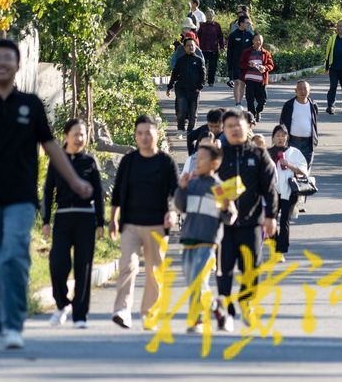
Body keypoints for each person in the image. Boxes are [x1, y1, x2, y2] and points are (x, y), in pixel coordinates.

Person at [0, 39, 94, 352]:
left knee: (14, 256)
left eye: (8, 58)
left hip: (21, 197)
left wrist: (74, 182)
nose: (2, 63)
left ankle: (13, 325)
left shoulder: (31, 105)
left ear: (17, 65)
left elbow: (52, 148)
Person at [108, 115, 180, 330]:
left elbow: (176, 193)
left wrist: (174, 212)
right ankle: (122, 310)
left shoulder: (166, 162)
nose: (144, 137)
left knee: (154, 272)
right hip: (130, 224)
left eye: (148, 133)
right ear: (135, 136)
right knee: (127, 266)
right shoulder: (129, 161)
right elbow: (118, 192)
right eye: (139, 133)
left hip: (157, 225)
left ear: (156, 134)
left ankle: (149, 313)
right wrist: (113, 219)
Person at [215, 109, 279, 331]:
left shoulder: (259, 155)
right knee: (224, 269)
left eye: (238, 124)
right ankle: (225, 309)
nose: (234, 129)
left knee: (251, 268)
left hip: (252, 223)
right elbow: (207, 185)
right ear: (223, 129)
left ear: (248, 127)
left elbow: (270, 189)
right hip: (223, 225)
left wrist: (271, 216)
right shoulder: (218, 156)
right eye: (229, 125)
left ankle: (247, 301)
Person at [42, 118, 105, 329]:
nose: (80, 138)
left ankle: (80, 315)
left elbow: (99, 193)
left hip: (86, 217)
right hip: (63, 217)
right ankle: (61, 305)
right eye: (76, 134)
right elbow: (48, 190)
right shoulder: (57, 161)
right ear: (66, 136)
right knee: (58, 263)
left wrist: (100, 223)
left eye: (83, 134)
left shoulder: (90, 161)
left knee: (83, 266)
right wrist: (45, 221)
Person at [173, 143, 237, 333]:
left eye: (201, 159)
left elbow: (230, 217)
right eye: (196, 158)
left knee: (198, 282)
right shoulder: (190, 184)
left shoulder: (219, 188)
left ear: (214, 163)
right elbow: (180, 207)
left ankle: (197, 320)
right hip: (188, 240)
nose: (196, 162)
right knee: (193, 282)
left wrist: (226, 206)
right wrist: (181, 189)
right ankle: (216, 307)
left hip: (208, 243)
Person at [266, 125, 309, 261]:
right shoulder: (266, 152)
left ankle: (281, 251)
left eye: (283, 136)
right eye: (277, 136)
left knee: (284, 220)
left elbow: (303, 170)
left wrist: (289, 164)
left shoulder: (294, 152)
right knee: (270, 221)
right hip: (271, 192)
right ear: (273, 137)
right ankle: (275, 247)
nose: (280, 138)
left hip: (289, 192)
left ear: (287, 137)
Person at [166, 37, 206, 137]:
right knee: (181, 109)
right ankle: (180, 129)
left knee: (193, 113)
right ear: (184, 48)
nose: (191, 47)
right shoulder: (180, 60)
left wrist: (200, 87)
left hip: (194, 90)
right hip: (181, 89)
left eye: (192, 45)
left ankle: (190, 131)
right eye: (188, 45)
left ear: (195, 47)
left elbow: (203, 75)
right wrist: (169, 87)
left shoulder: (199, 60)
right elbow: (174, 74)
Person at [279, 80, 319, 168]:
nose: (303, 91)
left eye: (305, 89)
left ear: (309, 91)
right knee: (292, 169)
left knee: (305, 169)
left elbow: (314, 124)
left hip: (308, 143)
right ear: (295, 91)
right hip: (292, 142)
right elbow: (282, 124)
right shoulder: (288, 105)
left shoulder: (313, 105)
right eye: (300, 89)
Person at [240, 34, 274, 123]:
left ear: (262, 41)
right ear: (252, 41)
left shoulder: (266, 53)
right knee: (250, 98)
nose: (258, 42)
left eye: (260, 40)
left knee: (263, 100)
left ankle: (258, 111)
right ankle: (252, 115)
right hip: (249, 79)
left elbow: (271, 65)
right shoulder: (247, 52)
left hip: (261, 80)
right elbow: (241, 64)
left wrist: (265, 68)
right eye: (256, 40)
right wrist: (248, 64)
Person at [226, 15, 254, 105]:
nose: (248, 24)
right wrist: (229, 64)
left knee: (242, 83)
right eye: (247, 23)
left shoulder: (250, 35)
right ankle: (237, 102)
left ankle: (240, 101)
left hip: (246, 63)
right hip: (236, 62)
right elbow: (229, 51)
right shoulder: (233, 35)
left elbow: (254, 48)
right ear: (241, 23)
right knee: (237, 82)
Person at [197, 9, 225, 86]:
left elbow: (220, 37)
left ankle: (211, 82)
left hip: (213, 49)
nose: (209, 16)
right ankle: (202, 80)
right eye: (208, 15)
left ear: (213, 16)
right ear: (205, 16)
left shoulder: (217, 25)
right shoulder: (202, 25)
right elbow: (198, 37)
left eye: (210, 15)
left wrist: (222, 46)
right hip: (203, 49)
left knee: (213, 67)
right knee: (203, 66)